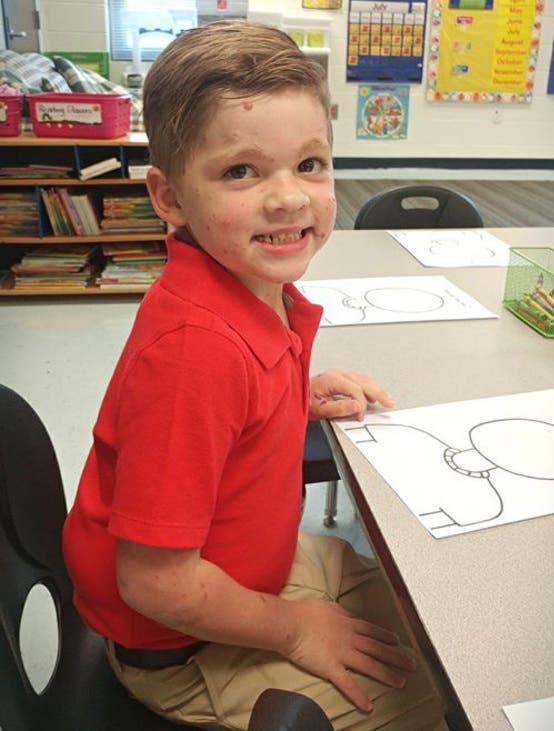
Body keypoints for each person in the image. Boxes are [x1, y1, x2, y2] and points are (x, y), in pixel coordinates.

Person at [62, 20, 447, 731]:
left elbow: (227, 409)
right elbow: (153, 581)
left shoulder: (248, 287)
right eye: (242, 171)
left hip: (249, 567)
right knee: (439, 701)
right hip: (186, 646)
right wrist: (297, 628)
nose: (289, 199)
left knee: (432, 609)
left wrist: (293, 396)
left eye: (310, 164)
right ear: (170, 197)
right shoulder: (193, 353)